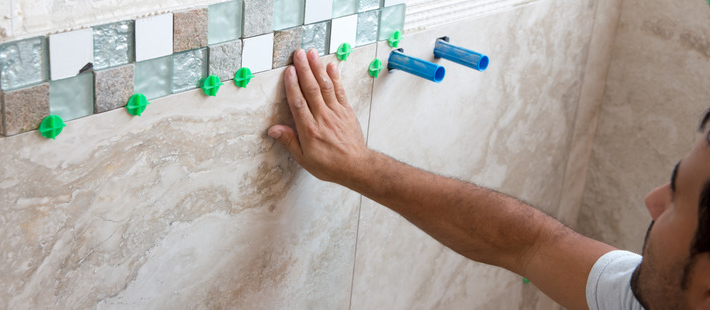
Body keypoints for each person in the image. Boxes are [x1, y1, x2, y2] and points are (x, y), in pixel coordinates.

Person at [267, 48, 710, 310]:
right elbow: (528, 242)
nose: (652, 201)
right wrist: (360, 166)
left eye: (676, 203)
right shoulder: (654, 296)